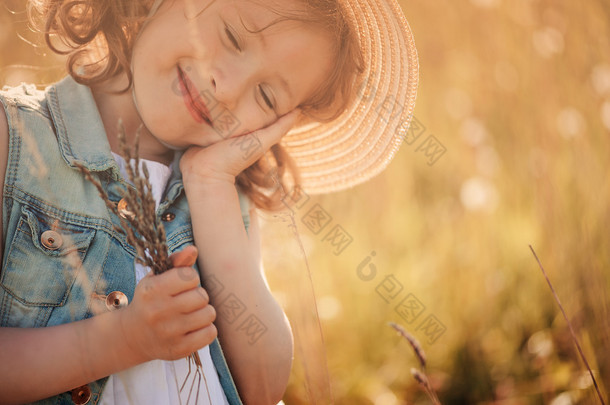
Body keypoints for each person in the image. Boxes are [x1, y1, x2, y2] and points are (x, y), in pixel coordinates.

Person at [0, 0, 418, 403]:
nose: (229, 88)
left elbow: (262, 387)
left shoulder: (224, 197)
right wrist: (122, 341)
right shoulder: (15, 143)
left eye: (268, 98)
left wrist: (210, 184)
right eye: (233, 37)